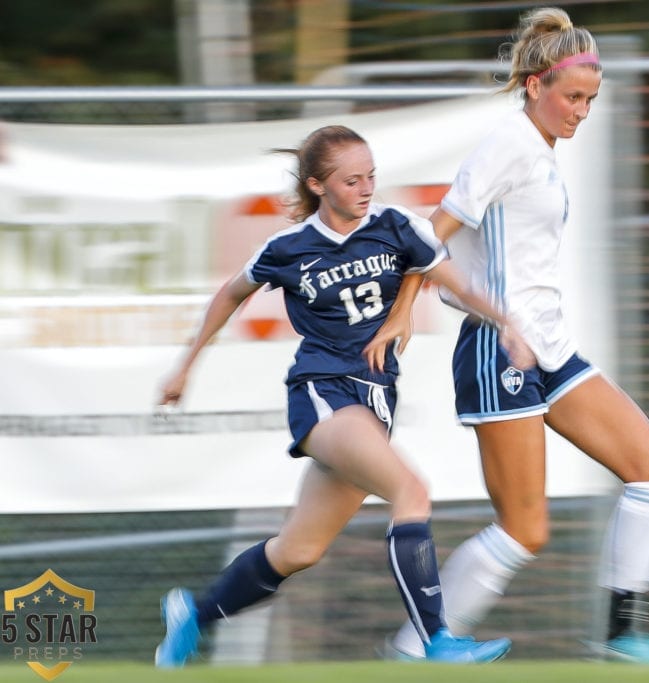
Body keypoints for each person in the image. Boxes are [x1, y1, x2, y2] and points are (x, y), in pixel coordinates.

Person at [384, 7, 649, 665]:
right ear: (535, 86)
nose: (581, 111)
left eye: (590, 100)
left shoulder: (538, 149)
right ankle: (418, 645)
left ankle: (626, 632)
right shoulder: (509, 140)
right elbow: (429, 233)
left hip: (551, 348)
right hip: (497, 347)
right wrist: (401, 314)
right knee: (526, 527)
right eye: (571, 97)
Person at [154, 124, 535, 667]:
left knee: (298, 550)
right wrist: (184, 367)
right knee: (411, 492)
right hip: (324, 392)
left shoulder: (397, 227)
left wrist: (506, 324)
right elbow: (229, 295)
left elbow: (457, 282)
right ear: (317, 185)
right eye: (351, 180)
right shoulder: (288, 247)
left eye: (371, 176)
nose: (365, 188)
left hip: (375, 401)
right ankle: (436, 643)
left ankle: (193, 614)